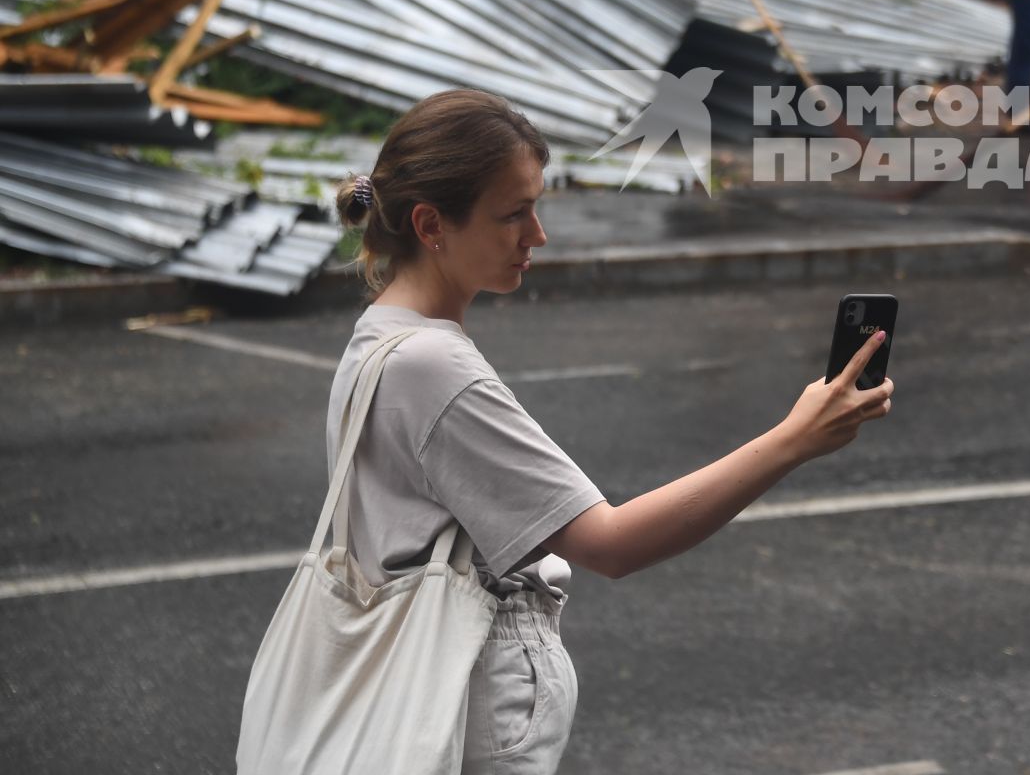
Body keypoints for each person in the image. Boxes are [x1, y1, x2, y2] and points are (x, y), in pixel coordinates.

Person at [322, 90, 893, 773]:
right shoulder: (432, 365)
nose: (537, 235)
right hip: (466, 716)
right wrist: (793, 441)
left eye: (537, 206)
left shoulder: (380, 334)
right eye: (513, 214)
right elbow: (613, 544)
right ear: (430, 223)